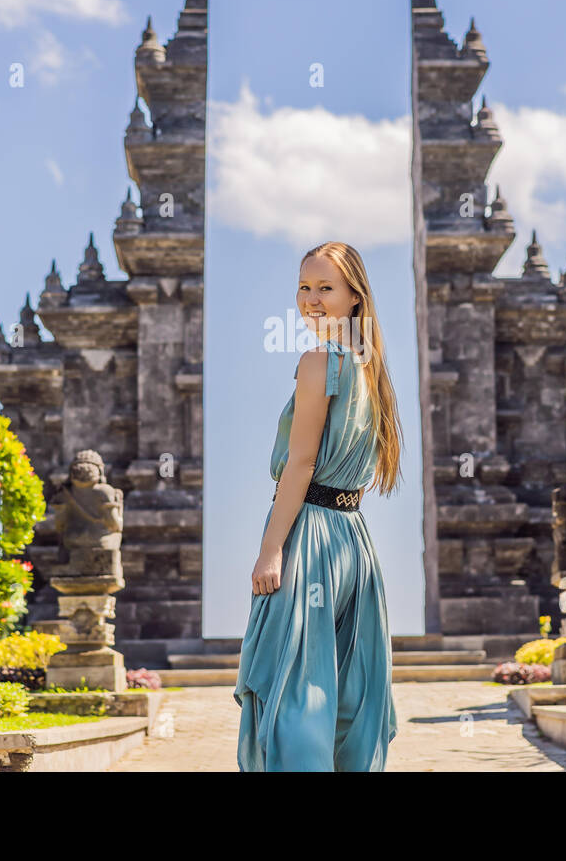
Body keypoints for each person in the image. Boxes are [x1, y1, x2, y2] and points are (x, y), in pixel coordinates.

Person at [234, 241, 404, 771]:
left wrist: (270, 550)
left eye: (325, 287)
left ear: (355, 296)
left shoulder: (318, 362)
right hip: (354, 541)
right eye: (304, 287)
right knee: (349, 696)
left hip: (309, 537)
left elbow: (301, 464)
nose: (311, 299)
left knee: (294, 690)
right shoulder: (370, 366)